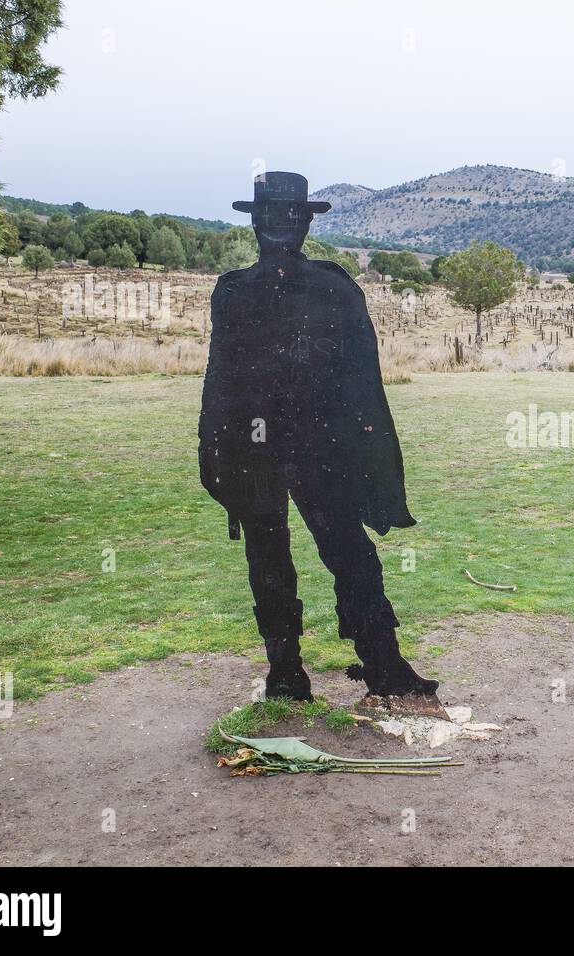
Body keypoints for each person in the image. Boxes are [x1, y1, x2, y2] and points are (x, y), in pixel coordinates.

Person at [198, 171, 438, 706]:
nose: (281, 225)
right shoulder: (236, 293)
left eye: (291, 216)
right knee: (272, 559)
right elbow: (222, 381)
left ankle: (382, 664)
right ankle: (287, 671)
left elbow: (362, 385)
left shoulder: (332, 289)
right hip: (262, 452)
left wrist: (364, 448)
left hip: (317, 450)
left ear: (305, 222)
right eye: (273, 215)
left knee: (349, 553)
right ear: (257, 222)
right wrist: (217, 455)